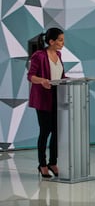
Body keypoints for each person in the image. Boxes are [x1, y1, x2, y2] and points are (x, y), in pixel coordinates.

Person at [27, 27, 65, 178]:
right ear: (51, 41)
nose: (62, 43)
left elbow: (61, 75)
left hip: (58, 97)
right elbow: (30, 76)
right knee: (45, 132)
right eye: (60, 40)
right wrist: (42, 80)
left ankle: (53, 162)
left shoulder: (59, 54)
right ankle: (42, 164)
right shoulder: (39, 55)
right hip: (43, 98)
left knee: (56, 132)